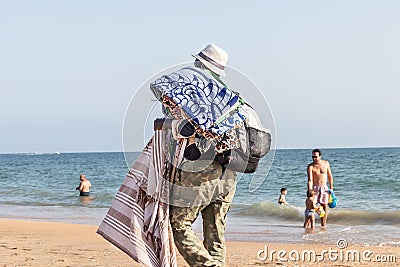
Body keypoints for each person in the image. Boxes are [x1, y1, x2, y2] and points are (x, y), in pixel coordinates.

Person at [154, 44, 240, 267]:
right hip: (230, 171)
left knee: (179, 225)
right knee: (215, 232)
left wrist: (163, 123)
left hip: (201, 170)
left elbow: (182, 129)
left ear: (200, 65)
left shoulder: (192, 94)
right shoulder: (230, 98)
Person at [307, 149, 334, 227]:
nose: (314, 158)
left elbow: (330, 177)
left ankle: (323, 225)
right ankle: (308, 225)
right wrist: (309, 191)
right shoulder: (310, 166)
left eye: (315, 156)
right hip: (314, 188)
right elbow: (310, 180)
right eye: (312, 157)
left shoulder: (326, 163)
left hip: (324, 187)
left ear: (320, 156)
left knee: (324, 206)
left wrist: (331, 189)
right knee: (311, 206)